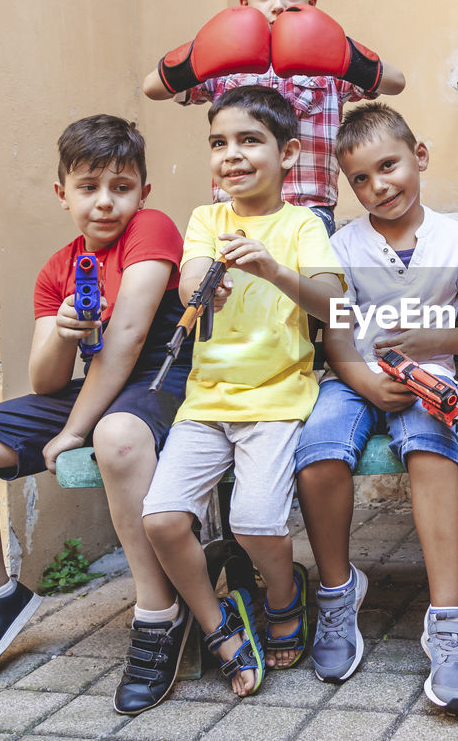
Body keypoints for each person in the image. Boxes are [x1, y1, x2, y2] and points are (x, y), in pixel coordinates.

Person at [0, 115, 194, 714]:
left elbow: (127, 339)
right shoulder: (58, 267)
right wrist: (63, 331)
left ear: (143, 193)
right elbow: (46, 379)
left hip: (163, 375)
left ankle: (158, 612)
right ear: (62, 192)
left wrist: (74, 431)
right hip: (94, 384)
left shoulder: (152, 229)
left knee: (117, 437)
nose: (105, 202)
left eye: (120, 187)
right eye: (88, 186)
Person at [141, 85, 345, 698]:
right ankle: (219, 625)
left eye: (248, 141)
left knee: (257, 521)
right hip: (206, 402)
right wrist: (203, 283)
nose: (231, 154)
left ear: (287, 155)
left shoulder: (301, 224)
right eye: (218, 143)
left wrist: (274, 270)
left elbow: (334, 302)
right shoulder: (207, 219)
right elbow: (193, 275)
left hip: (277, 401)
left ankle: (284, 598)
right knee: (163, 519)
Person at [293, 103, 458, 713]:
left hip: (426, 377)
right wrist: (365, 383)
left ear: (419, 157)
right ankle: (335, 594)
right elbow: (337, 333)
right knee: (319, 451)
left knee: (431, 450)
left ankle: (448, 622)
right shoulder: (342, 244)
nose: (379, 187)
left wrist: (435, 343)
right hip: (352, 379)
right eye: (361, 180)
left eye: (389, 166)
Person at [141, 0, 406, 236]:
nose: (278, 4)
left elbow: (396, 83)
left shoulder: (327, 63)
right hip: (233, 213)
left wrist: (346, 54)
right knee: (234, 284)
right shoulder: (226, 66)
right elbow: (152, 88)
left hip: (308, 213)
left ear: (311, 2)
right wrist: (203, 50)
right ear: (245, 4)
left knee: (310, 283)